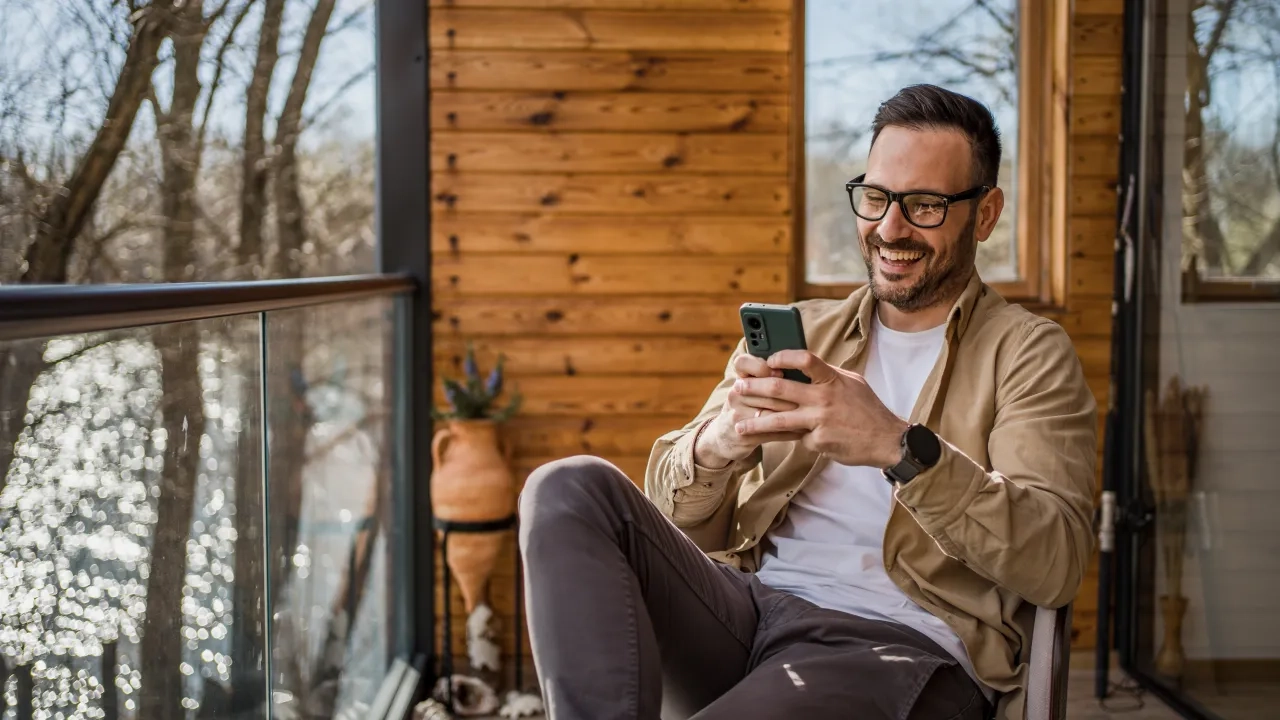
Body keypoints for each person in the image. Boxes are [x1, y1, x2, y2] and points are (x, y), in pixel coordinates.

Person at [517, 84, 1097, 720]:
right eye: (875, 198)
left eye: (924, 205)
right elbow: (675, 527)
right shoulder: (804, 331)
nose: (889, 228)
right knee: (567, 488)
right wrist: (720, 445)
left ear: (985, 215)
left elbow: (1058, 562)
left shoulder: (1028, 354)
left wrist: (898, 448)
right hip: (749, 606)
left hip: (895, 643)